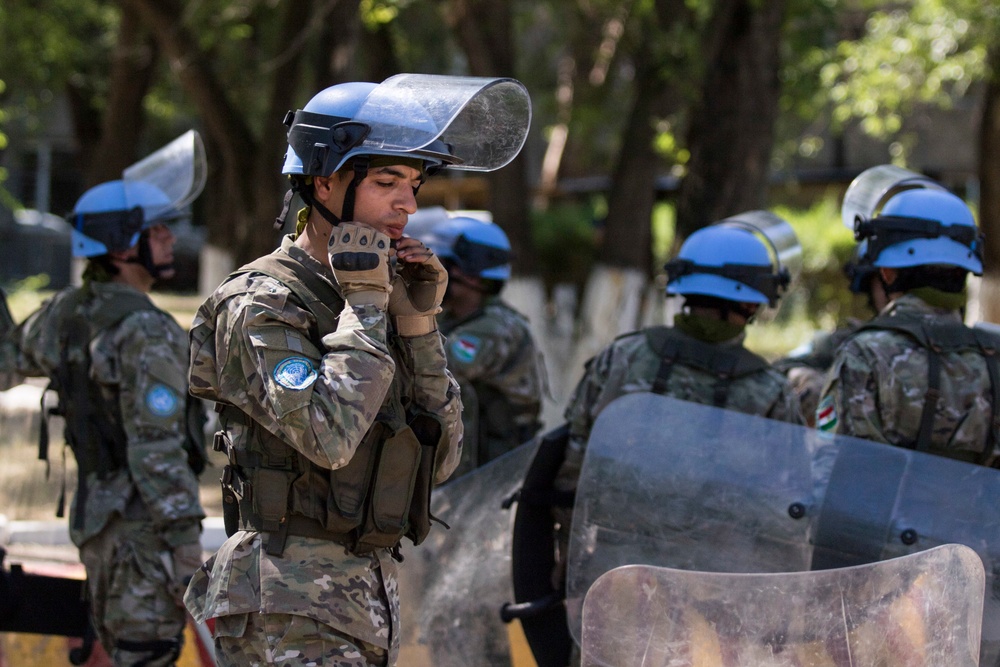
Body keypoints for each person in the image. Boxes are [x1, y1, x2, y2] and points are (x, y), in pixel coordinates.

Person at [183, 74, 530, 666]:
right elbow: (328, 438)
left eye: (414, 185)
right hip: (286, 604)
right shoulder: (263, 300)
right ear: (324, 182)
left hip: (363, 599)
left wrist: (418, 328)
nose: (408, 205)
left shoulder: (370, 294)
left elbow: (440, 461)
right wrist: (367, 307)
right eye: (387, 182)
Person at [0, 174, 207, 666]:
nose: (170, 239)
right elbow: (156, 450)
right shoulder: (148, 331)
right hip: (144, 533)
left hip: (95, 526)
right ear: (119, 248)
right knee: (146, 654)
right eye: (156, 233)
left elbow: (7, 363)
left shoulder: (64, 314)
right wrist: (185, 547)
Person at [550, 214, 804, 598]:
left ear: (682, 287)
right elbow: (787, 508)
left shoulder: (620, 358)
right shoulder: (770, 391)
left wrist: (571, 569)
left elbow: (571, 473)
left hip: (617, 578)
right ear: (754, 300)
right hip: (720, 588)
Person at [817, 178, 1000, 465]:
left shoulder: (865, 355)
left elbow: (837, 478)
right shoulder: (995, 352)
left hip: (886, 512)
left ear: (887, 272)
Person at [417, 216, 545, 476]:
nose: (429, 273)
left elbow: (431, 370)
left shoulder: (497, 328)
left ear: (471, 276)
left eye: (440, 265)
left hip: (496, 475)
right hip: (472, 465)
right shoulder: (451, 318)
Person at [775, 240, 889, 426]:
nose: (893, 292)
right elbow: (782, 368)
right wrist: (808, 378)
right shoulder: (849, 343)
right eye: (885, 278)